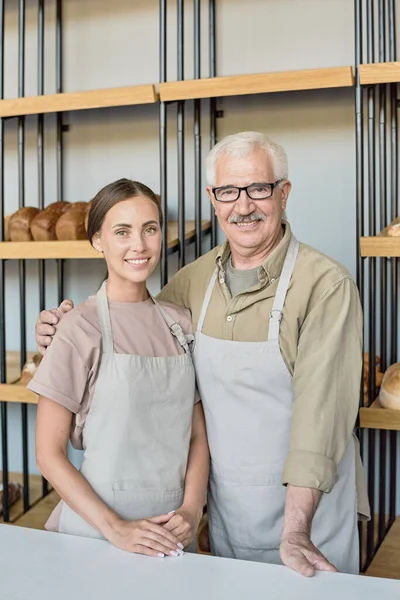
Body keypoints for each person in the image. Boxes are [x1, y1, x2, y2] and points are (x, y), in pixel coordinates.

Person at [35, 132, 370, 577]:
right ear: (213, 200)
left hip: (310, 516)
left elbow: (320, 420)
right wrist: (61, 326)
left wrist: (294, 529)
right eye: (229, 191)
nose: (244, 205)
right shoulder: (192, 285)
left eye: (259, 188)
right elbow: (129, 316)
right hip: (227, 510)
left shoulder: (325, 286)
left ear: (284, 194)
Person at [29, 179, 209, 559]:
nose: (139, 245)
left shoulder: (180, 323)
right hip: (96, 536)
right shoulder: (78, 328)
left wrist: (191, 511)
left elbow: (196, 437)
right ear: (97, 240)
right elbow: (48, 453)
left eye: (150, 229)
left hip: (171, 533)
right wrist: (116, 528)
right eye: (122, 232)